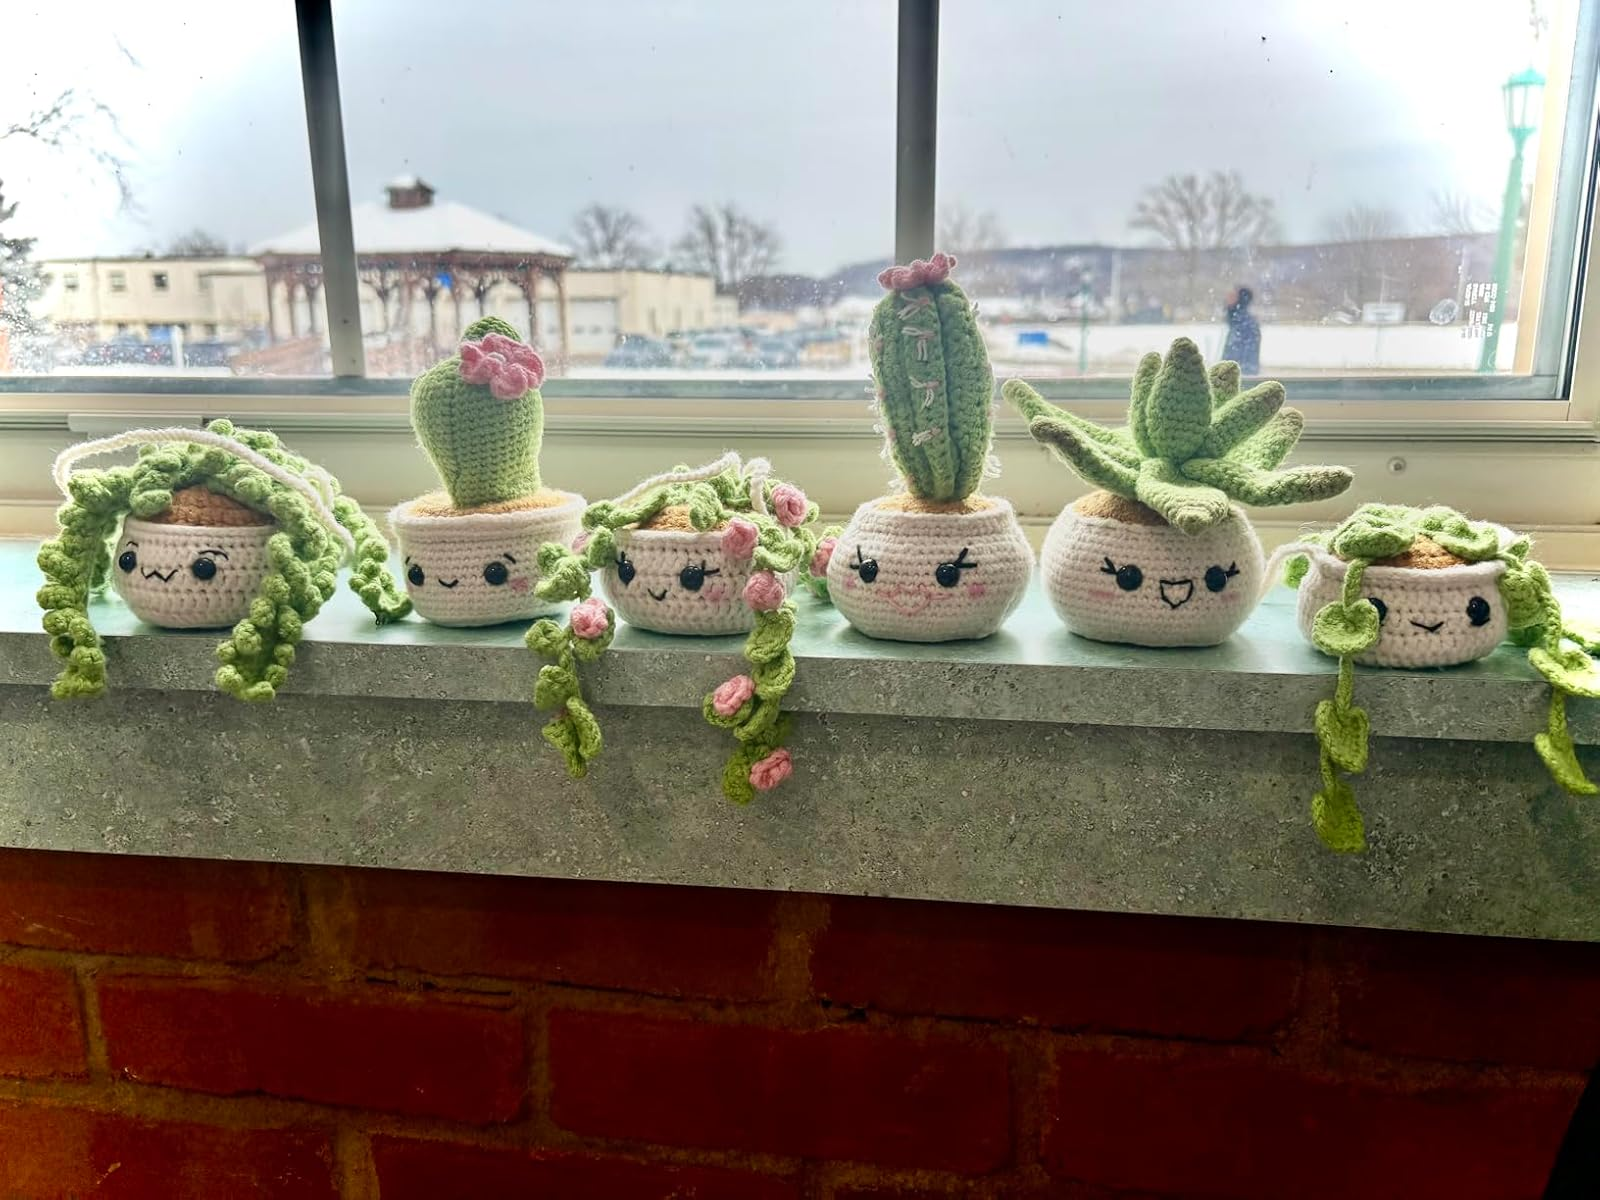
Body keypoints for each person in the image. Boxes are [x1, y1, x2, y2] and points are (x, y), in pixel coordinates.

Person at [1222, 286, 1260, 375]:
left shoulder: (1245, 324)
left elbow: (1247, 362)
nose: (1227, 299)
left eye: (1232, 296)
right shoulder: (1235, 322)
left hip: (1239, 379)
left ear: (1240, 300)